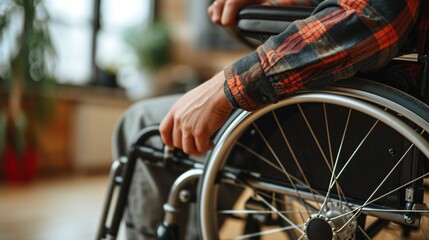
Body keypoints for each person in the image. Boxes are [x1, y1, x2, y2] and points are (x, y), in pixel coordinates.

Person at [113, 0, 423, 239]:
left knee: (144, 122)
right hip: (373, 118)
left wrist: (226, 87)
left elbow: (370, 18)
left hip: (356, 121)